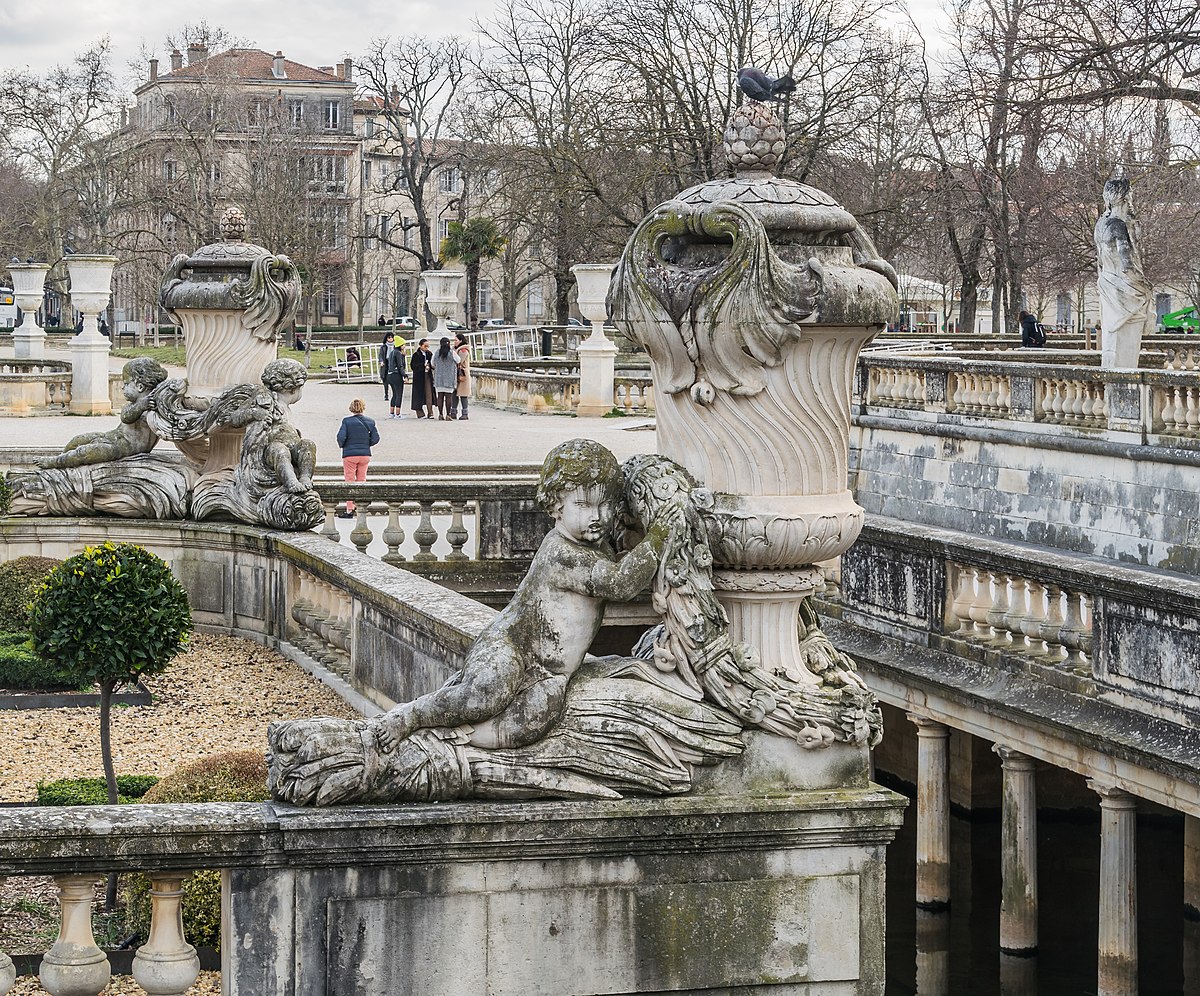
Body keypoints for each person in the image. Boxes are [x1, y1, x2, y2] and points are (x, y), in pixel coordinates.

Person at [373, 438, 684, 753]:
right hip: (512, 647)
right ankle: (411, 716)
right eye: (584, 504)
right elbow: (621, 584)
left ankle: (458, 741)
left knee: (531, 723)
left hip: (553, 672)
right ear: (556, 507)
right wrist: (660, 534)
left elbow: (625, 569)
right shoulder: (561, 552)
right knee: (483, 695)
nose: (598, 516)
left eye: (605, 505)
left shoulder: (597, 545)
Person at [37, 357, 167, 469]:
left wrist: (142, 406)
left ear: (140, 386)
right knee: (79, 440)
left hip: (123, 449)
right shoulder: (136, 405)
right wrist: (140, 405)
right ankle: (63, 457)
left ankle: (57, 462)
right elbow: (126, 415)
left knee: (85, 452)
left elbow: (127, 418)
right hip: (114, 437)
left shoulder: (148, 408)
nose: (122, 387)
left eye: (126, 384)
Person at [336, 398, 379, 519]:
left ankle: (350, 509)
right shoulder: (370, 421)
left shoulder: (347, 421)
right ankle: (361, 507)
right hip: (365, 454)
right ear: (363, 408)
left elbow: (341, 437)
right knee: (362, 480)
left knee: (350, 481)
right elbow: (376, 438)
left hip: (350, 454)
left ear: (351, 408)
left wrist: (343, 445)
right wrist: (367, 444)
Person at [432, 336, 458, 420]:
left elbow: (432, 363)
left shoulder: (437, 353)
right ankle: (448, 414)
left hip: (439, 378)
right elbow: (458, 360)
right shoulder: (452, 353)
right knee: (448, 397)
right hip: (449, 378)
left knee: (440, 396)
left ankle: (440, 414)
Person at [382, 335, 407, 419]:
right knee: (399, 394)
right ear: (400, 345)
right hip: (397, 375)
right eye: (403, 344)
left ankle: (392, 413)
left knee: (394, 394)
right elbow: (400, 366)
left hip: (390, 375)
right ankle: (398, 413)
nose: (404, 346)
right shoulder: (399, 353)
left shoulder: (392, 352)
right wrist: (405, 375)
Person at [410, 338, 434, 418]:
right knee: (418, 394)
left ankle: (430, 411)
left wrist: (430, 366)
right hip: (419, 377)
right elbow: (413, 366)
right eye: (425, 346)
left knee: (429, 394)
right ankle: (419, 411)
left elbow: (433, 363)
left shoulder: (429, 354)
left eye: (428, 346)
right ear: (420, 346)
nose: (426, 348)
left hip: (428, 375)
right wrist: (422, 366)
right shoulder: (416, 355)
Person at [452, 332, 472, 420]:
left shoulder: (463, 350)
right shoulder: (456, 349)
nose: (454, 342)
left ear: (460, 340)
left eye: (456, 340)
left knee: (463, 394)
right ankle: (453, 411)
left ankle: (465, 413)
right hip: (456, 373)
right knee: (454, 394)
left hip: (462, 374)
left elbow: (459, 361)